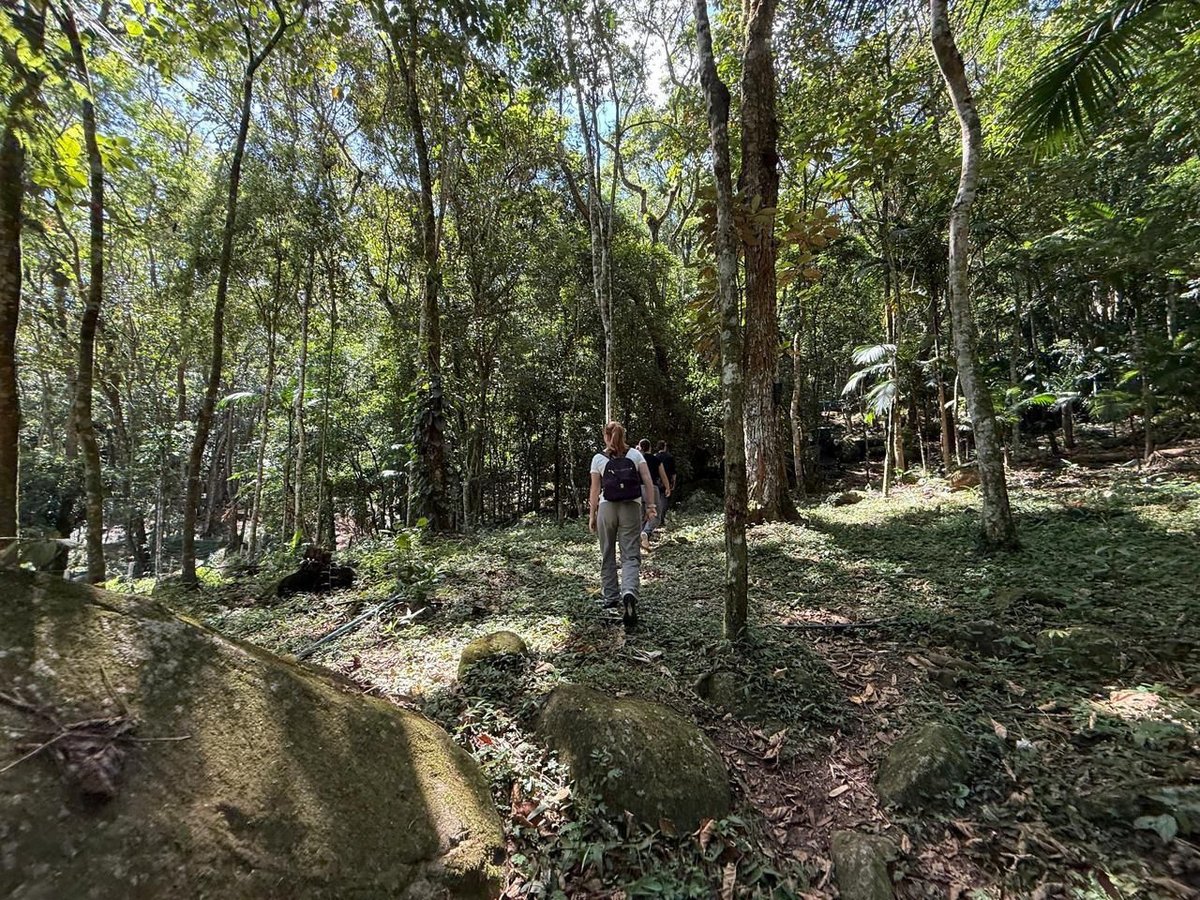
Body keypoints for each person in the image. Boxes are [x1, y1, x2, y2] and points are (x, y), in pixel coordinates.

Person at [589, 422, 656, 629]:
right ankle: (629, 592)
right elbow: (648, 480)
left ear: (605, 436)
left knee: (607, 552)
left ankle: (610, 598)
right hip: (630, 508)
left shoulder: (598, 459)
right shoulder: (636, 456)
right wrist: (651, 506)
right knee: (630, 555)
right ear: (623, 435)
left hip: (607, 508)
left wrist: (592, 514)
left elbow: (594, 489)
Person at [637, 439, 670, 551]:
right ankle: (645, 532)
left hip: (638, 489)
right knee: (656, 515)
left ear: (640, 447)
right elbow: (663, 475)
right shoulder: (655, 459)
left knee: (641, 516)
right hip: (652, 488)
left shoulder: (637, 459)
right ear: (650, 448)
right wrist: (667, 487)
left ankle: (640, 540)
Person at [656, 440, 677, 526]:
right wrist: (673, 483)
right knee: (664, 500)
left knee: (657, 500)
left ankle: (657, 519)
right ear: (665, 447)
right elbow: (673, 472)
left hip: (656, 481)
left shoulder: (655, 457)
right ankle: (661, 519)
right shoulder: (670, 457)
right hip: (667, 481)